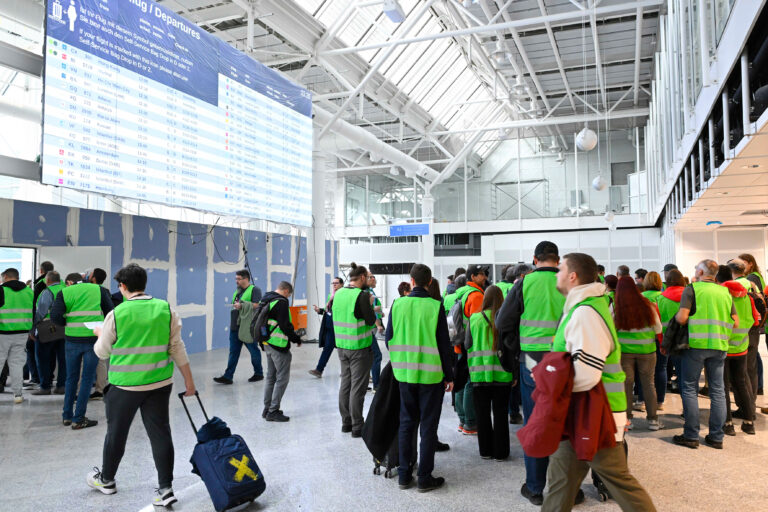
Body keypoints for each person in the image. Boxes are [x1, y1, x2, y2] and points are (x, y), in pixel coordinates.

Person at [542, 253, 656, 512]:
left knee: (618, 480)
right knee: (561, 481)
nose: (557, 275)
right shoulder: (585, 307)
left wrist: (551, 385)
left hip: (594, 414)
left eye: (560, 270)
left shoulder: (585, 313)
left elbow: (587, 373)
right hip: (583, 411)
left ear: (572, 276)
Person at [87, 263, 196, 508]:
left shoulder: (117, 314)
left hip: (124, 387)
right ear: (144, 284)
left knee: (116, 434)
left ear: (123, 287)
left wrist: (99, 333)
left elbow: (102, 352)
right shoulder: (166, 309)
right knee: (160, 433)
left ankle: (107, 480)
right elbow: (176, 347)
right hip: (159, 384)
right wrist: (189, 381)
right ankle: (165, 489)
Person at [496, 241, 565, 505]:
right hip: (563, 359)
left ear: (535, 260)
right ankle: (566, 486)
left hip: (532, 361)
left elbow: (503, 322)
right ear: (557, 260)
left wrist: (517, 346)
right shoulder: (569, 282)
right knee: (563, 422)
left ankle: (535, 488)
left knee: (535, 422)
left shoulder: (523, 284)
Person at [385, 263, 453, 492]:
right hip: (431, 376)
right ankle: (424, 477)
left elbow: (388, 338)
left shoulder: (397, 304)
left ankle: (404, 475)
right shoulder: (436, 307)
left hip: (404, 374)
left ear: (411, 281)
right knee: (428, 426)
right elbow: (445, 345)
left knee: (406, 424)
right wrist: (449, 375)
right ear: (430, 282)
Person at [673, 260, 738, 450]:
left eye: (695, 268)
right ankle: (716, 437)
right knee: (718, 391)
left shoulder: (692, 289)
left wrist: (677, 318)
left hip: (696, 345)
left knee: (689, 388)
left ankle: (691, 435)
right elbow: (735, 322)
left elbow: (683, 317)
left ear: (701, 271)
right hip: (719, 345)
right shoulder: (725, 291)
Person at [51, 272, 114, 429]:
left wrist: (68, 322)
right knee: (87, 378)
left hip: (72, 339)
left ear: (70, 282)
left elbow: (55, 317)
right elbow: (110, 313)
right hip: (93, 339)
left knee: (71, 377)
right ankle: (78, 418)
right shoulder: (98, 290)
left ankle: (67, 416)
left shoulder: (64, 292)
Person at [465, 285, 513, 461]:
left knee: (482, 413)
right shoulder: (505, 321)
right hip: (502, 375)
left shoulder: (474, 319)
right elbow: (511, 347)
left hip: (479, 374)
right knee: (501, 414)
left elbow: (467, 345)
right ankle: (501, 452)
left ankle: (485, 450)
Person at [333, 263, 377, 437]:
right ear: (362, 278)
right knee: (357, 388)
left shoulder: (339, 293)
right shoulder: (362, 296)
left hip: (342, 346)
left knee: (345, 384)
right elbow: (370, 320)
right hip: (359, 348)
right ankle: (358, 426)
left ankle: (346, 423)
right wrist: (371, 304)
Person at [613, 276, 662, 431]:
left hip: (624, 353)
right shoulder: (649, 305)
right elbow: (658, 329)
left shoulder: (616, 307)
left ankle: (627, 420)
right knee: (649, 384)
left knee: (626, 385)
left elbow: (611, 330)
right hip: (647, 352)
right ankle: (653, 420)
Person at [716, 264, 757, 436]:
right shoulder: (748, 296)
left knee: (723, 386)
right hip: (741, 347)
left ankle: (728, 424)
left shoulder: (722, 296)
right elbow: (755, 320)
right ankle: (749, 423)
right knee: (741, 383)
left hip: (724, 347)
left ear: (717, 279)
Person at [256, 281, 302, 422]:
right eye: (289, 294)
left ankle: (267, 408)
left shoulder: (266, 299)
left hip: (267, 342)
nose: (288, 297)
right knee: (282, 378)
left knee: (271, 377)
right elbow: (285, 325)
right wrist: (296, 338)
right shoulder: (281, 302)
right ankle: (273, 411)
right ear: (286, 291)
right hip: (278, 344)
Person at [213, 269, 263, 385]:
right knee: (233, 352)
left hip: (247, 327)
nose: (236, 281)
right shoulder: (237, 291)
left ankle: (259, 373)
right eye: (236, 279)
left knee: (253, 350)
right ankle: (228, 376)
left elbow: (257, 305)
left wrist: (243, 305)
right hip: (235, 327)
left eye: (239, 279)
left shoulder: (255, 290)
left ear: (246, 279)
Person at [454, 264, 486, 437]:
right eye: (482, 275)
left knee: (460, 381)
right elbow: (477, 324)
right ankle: (471, 423)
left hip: (458, 344)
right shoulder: (476, 296)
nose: (485, 277)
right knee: (470, 383)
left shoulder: (458, 293)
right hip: (470, 345)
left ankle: (462, 419)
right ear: (473, 277)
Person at [734, 254, 766, 403]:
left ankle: (747, 405)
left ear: (751, 264)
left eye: (743, 263)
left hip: (746, 328)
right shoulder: (756, 279)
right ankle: (753, 397)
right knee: (752, 364)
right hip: (753, 326)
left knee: (746, 369)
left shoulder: (749, 280)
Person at [0, 268, 33, 404]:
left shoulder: (1, 290)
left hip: (2, 333)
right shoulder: (29, 291)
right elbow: (34, 311)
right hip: (22, 333)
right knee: (17, 364)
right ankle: (18, 394)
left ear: (6, 277)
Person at [30, 271, 66, 395]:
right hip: (64, 327)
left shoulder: (47, 292)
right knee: (63, 359)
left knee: (42, 357)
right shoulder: (67, 289)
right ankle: (61, 386)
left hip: (47, 328)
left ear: (48, 280)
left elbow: (41, 312)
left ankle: (45, 387)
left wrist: (33, 328)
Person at [309, 277, 344, 378]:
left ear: (342, 284)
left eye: (336, 283)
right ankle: (319, 370)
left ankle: (345, 371)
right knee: (327, 348)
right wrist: (319, 310)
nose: (334, 285)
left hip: (339, 327)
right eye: (333, 283)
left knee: (343, 350)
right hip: (329, 327)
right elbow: (327, 310)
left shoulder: (343, 296)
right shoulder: (331, 295)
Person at [89, 267, 110, 400]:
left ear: (94, 278)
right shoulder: (105, 291)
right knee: (101, 360)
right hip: (101, 329)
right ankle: (100, 389)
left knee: (91, 361)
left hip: (89, 330)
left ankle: (86, 390)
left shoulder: (88, 291)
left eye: (90, 275)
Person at [367, 273, 385, 392]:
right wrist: (378, 323)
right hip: (367, 329)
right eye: (371, 277)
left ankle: (365, 383)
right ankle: (376, 386)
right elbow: (367, 311)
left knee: (368, 356)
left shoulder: (371, 293)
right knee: (376, 356)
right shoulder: (365, 293)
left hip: (368, 328)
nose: (374, 279)